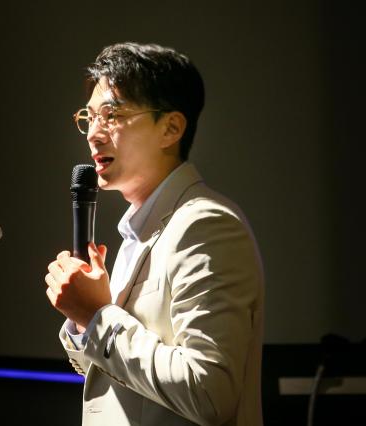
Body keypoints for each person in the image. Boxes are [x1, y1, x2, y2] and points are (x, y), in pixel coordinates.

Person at [44, 42, 264, 426]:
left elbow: (210, 393)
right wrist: (83, 322)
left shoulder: (205, 225)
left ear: (171, 128)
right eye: (89, 117)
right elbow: (120, 380)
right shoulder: (141, 231)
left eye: (111, 115)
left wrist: (98, 316)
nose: (94, 134)